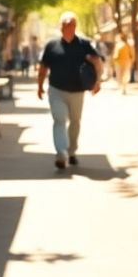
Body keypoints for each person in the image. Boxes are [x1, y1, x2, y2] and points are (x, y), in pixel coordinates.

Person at [37, 11, 103, 169]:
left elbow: (97, 61)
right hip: (56, 90)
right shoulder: (51, 45)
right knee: (59, 120)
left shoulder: (84, 44)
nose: (68, 27)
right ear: (60, 27)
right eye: (65, 24)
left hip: (77, 91)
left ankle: (71, 151)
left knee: (75, 122)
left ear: (75, 26)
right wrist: (39, 85)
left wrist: (97, 81)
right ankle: (61, 153)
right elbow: (43, 67)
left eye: (71, 24)